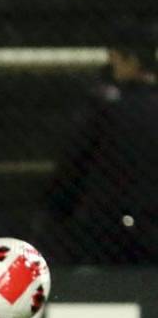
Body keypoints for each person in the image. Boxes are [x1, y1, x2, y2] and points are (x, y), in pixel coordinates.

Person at [47, 25, 158, 265]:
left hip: (105, 232)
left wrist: (59, 215)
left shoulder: (103, 110)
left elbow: (70, 169)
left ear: (131, 61)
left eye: (115, 61)